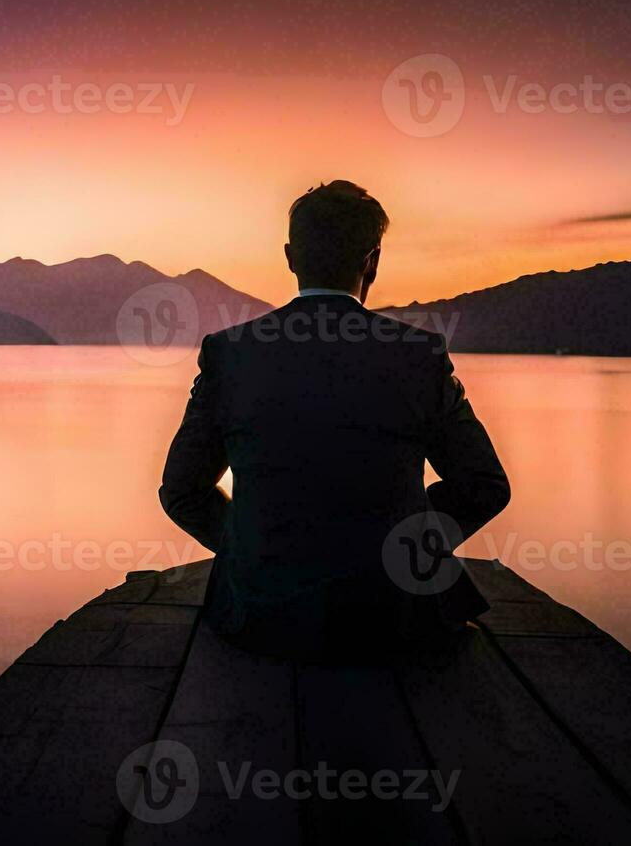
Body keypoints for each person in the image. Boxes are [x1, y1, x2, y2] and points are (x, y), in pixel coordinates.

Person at [159, 180, 511, 661]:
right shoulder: (419, 356)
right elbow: (484, 485)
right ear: (373, 260)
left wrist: (256, 546)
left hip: (260, 620)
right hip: (392, 618)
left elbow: (182, 491)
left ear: (290, 257)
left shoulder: (230, 354)